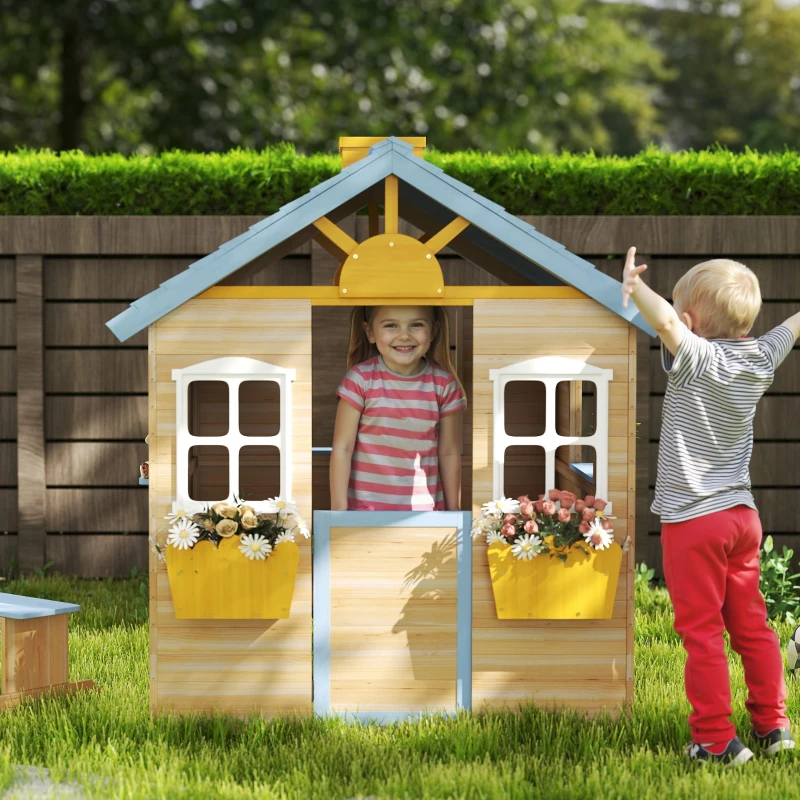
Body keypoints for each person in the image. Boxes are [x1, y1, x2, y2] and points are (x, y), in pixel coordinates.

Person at [622, 247, 800, 766]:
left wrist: (635, 286)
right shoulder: (762, 358)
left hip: (693, 521)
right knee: (752, 625)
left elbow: (667, 321)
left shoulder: (696, 357)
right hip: (742, 518)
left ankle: (715, 739)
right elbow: (791, 326)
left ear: (693, 321)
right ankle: (774, 724)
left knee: (702, 634)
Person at [330, 305, 467, 512]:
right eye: (391, 325)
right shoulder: (360, 380)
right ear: (370, 332)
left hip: (426, 514)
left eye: (416, 325)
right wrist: (338, 512)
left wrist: (455, 512)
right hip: (364, 512)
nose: (404, 335)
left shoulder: (444, 384)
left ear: (434, 330)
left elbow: (449, 452)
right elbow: (342, 448)